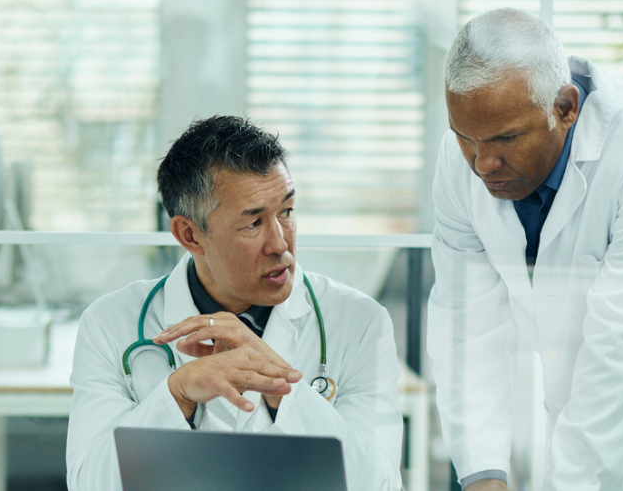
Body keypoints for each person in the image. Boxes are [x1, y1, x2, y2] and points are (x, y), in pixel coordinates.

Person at [426, 8, 623, 491]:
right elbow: (467, 327)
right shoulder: (461, 164)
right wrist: (482, 474)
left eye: (506, 139)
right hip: (569, 444)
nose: (482, 163)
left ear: (565, 107)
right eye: (464, 138)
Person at [65, 116, 403, 490]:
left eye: (286, 212)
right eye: (253, 224)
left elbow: (380, 484)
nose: (280, 244)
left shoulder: (359, 323)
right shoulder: (110, 324)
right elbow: (87, 483)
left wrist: (280, 383)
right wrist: (176, 394)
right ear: (190, 235)